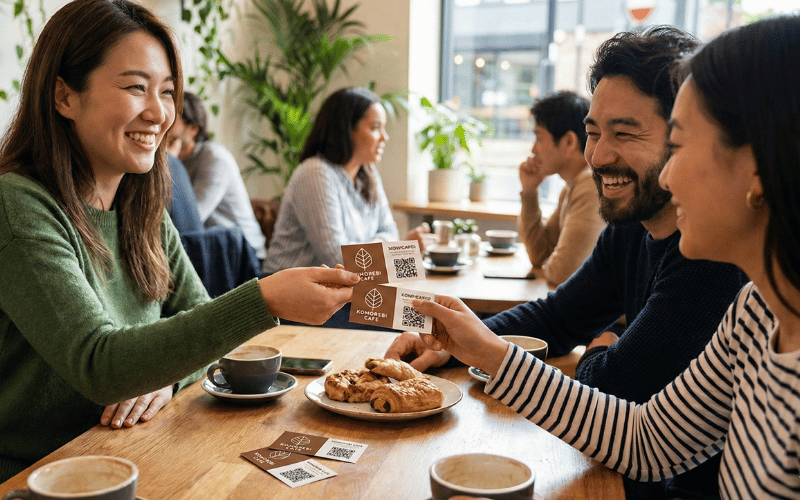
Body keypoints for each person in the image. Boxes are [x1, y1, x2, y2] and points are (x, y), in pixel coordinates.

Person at [408, 15, 800, 499]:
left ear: (760, 163)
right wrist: (473, 345)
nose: (671, 178)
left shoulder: (729, 284)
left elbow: (624, 398)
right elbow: (646, 440)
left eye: (681, 144)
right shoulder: (754, 313)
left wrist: (591, 354)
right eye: (594, 133)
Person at [0, 0, 359, 483]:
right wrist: (265, 297)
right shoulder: (18, 204)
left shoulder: (139, 205)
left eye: (167, 92)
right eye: (135, 88)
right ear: (64, 97)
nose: (159, 112)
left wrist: (163, 376)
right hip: (42, 475)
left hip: (135, 450)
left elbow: (203, 336)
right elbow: (99, 364)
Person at [262, 87, 429, 274]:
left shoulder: (368, 172)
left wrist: (382, 250)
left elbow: (389, 232)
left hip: (343, 289)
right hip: (290, 293)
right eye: (375, 128)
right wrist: (395, 251)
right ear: (346, 130)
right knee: (412, 298)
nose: (385, 137)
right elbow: (337, 260)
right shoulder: (315, 173)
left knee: (422, 298)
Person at [517, 91, 605, 286]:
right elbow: (540, 254)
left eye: (539, 138)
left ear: (568, 142)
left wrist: (553, 263)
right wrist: (529, 192)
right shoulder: (572, 187)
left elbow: (563, 274)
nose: (533, 150)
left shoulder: (590, 185)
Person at [167, 92, 267, 261]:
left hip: (246, 257)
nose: (163, 122)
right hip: (213, 252)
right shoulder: (180, 159)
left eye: (172, 117)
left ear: (193, 128)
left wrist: (169, 165)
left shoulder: (215, 159)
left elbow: (190, 223)